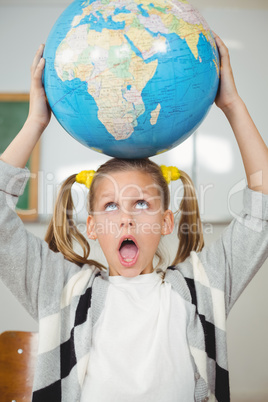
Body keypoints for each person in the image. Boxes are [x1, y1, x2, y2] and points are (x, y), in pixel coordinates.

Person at [0, 33, 267, 402]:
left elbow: (262, 208)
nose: (126, 219)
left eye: (141, 203)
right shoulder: (58, 290)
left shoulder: (203, 289)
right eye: (111, 206)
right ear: (91, 225)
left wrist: (233, 104)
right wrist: (35, 123)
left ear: (167, 222)